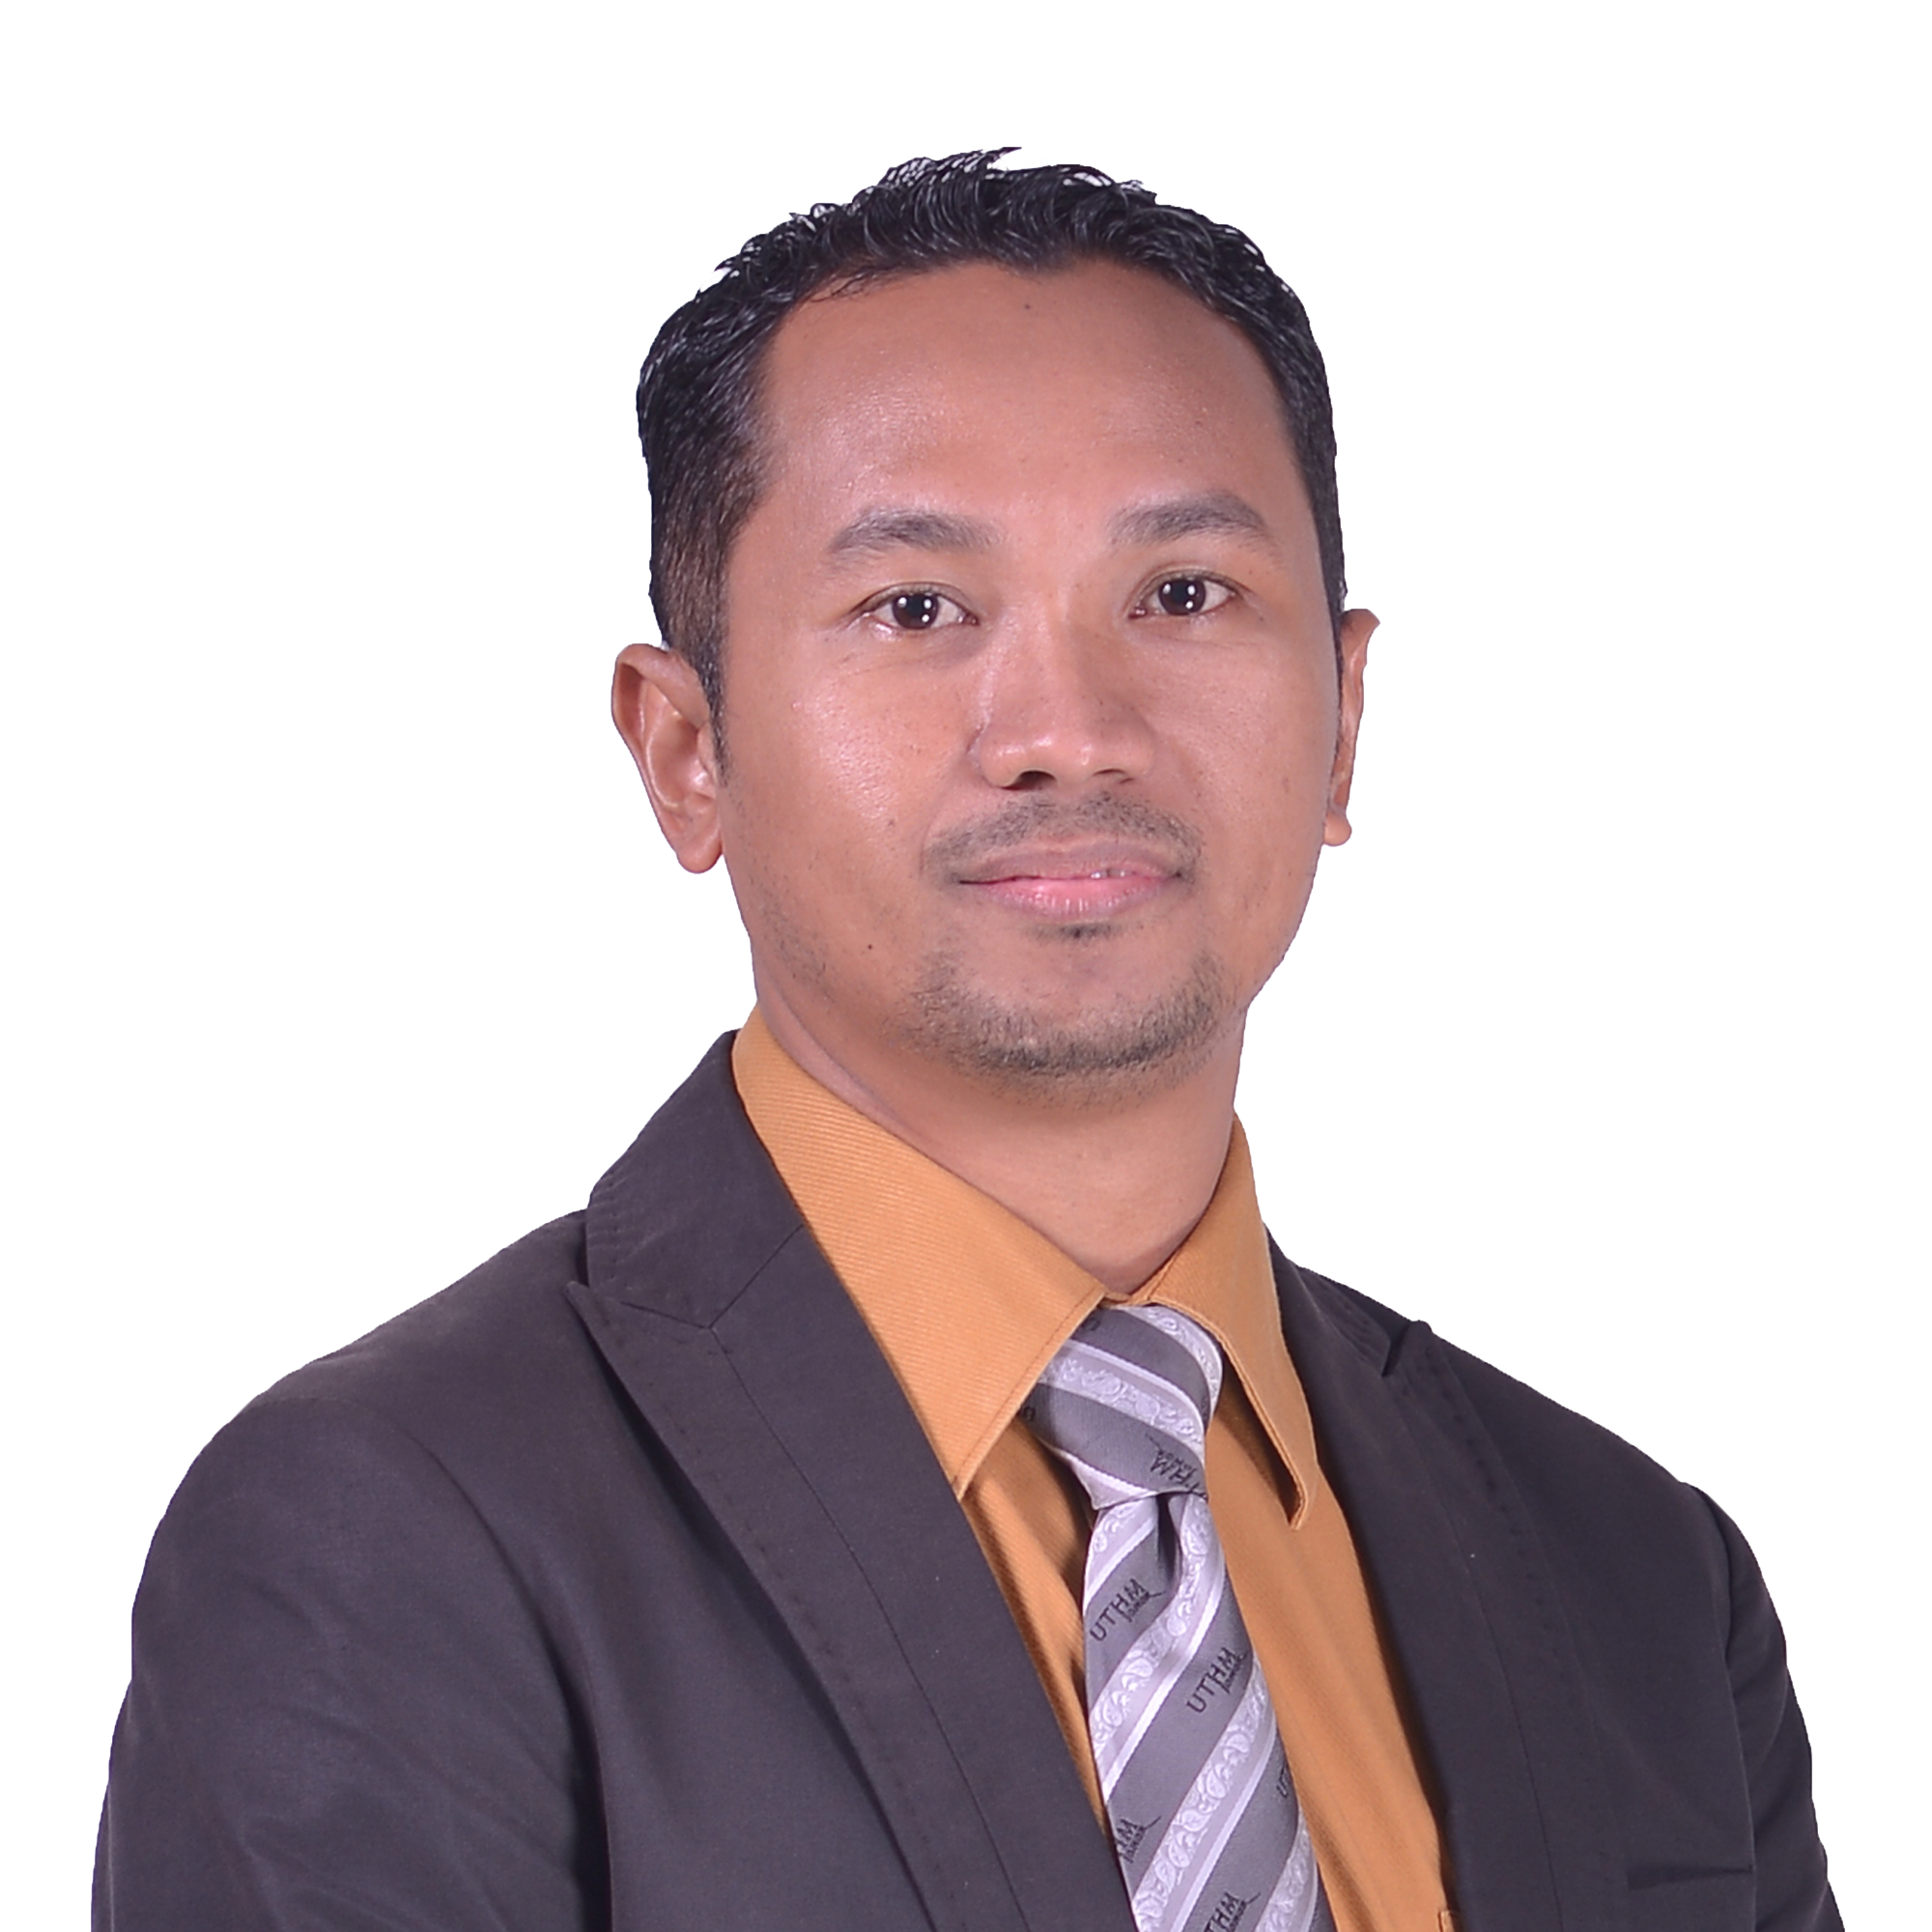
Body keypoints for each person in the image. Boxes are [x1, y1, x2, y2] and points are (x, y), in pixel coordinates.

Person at [94, 151, 1840, 1932]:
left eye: (1184, 594)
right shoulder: (392, 1540)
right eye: (917, 609)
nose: (1067, 731)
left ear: (1343, 720)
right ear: (685, 752)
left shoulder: (1636, 1576)